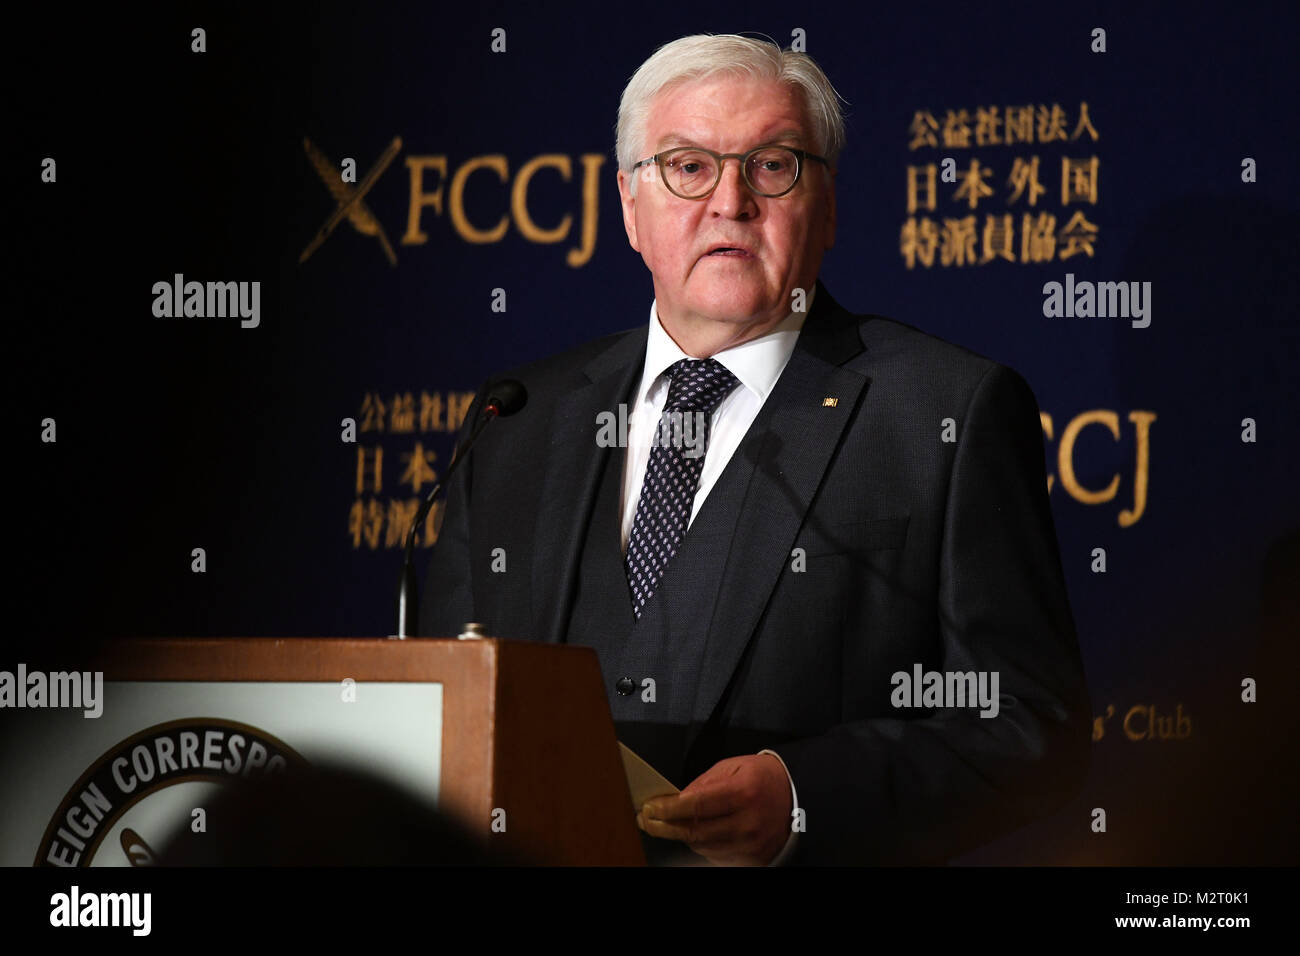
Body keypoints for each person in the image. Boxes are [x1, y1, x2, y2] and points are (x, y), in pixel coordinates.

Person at [420, 34, 1090, 866]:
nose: (730, 201)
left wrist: (806, 798)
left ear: (830, 206)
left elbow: (1032, 724)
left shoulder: (944, 412)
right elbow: (439, 705)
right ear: (630, 206)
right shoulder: (515, 418)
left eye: (773, 166)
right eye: (688, 167)